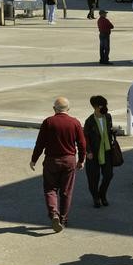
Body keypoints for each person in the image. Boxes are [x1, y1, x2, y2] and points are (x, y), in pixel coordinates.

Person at [30, 97, 86, 232]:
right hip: (69, 160)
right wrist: (81, 160)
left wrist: (34, 159)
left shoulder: (48, 122)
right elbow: (82, 143)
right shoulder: (75, 123)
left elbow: (40, 143)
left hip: (51, 161)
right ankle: (63, 219)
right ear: (68, 109)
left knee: (50, 189)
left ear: (54, 109)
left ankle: (53, 214)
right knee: (66, 192)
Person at [83, 95, 115, 208]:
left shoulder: (108, 117)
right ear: (96, 107)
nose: (104, 107)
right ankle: (96, 197)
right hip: (94, 152)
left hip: (106, 151)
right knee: (93, 178)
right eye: (102, 105)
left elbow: (109, 132)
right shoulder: (90, 121)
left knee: (108, 175)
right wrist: (88, 151)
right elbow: (85, 137)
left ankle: (102, 194)